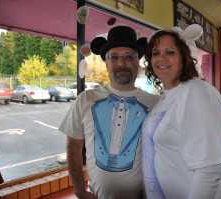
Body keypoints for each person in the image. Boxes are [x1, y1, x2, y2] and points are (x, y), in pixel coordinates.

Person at [59, 26, 160, 199]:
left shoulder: (156, 103)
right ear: (106, 63)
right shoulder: (86, 99)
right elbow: (73, 148)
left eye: (129, 57)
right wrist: (79, 191)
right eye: (114, 57)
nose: (121, 64)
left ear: (138, 62)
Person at [141, 26, 221, 199]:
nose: (161, 58)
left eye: (169, 52)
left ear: (185, 56)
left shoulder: (196, 92)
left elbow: (210, 169)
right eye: (155, 53)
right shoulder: (167, 96)